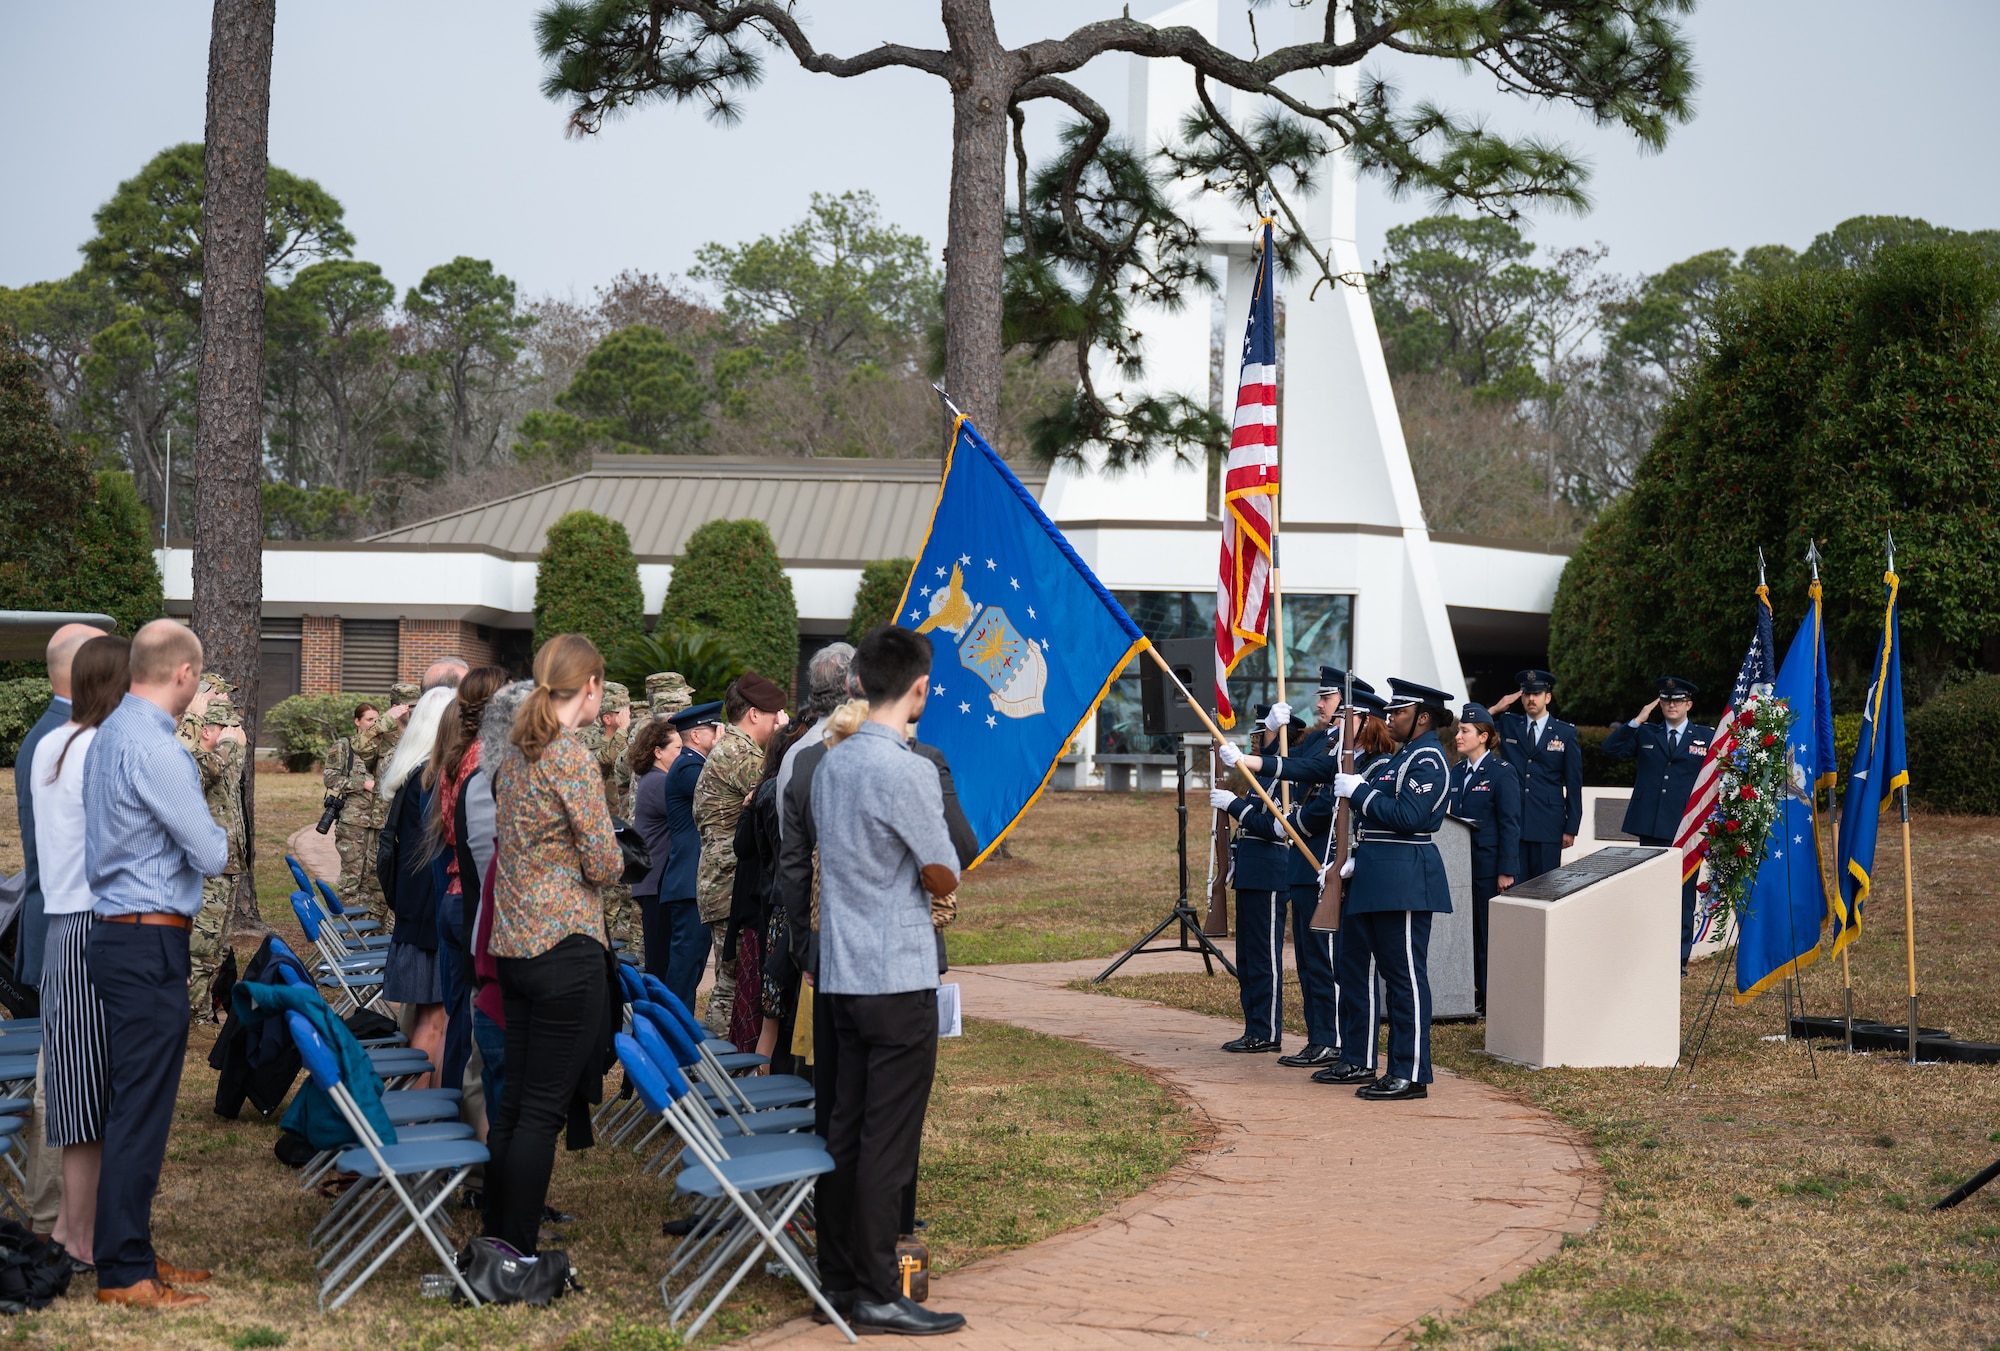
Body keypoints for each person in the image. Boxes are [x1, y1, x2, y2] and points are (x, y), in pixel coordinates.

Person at [811, 626, 966, 1337]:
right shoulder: (903, 767)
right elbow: (942, 867)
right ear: (919, 687)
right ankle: (877, 1288)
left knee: (844, 1126)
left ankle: (838, 1276)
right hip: (896, 973)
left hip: (842, 970)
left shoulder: (830, 762)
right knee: (888, 1139)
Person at [82, 618, 226, 1307]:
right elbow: (211, 851)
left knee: (130, 1105)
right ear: (184, 674)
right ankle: (124, 1272)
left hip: (120, 932)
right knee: (140, 1108)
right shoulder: (158, 749)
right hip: (147, 938)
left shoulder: (111, 732)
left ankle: (130, 1247)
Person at [484, 634, 622, 1258]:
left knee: (515, 1104)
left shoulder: (515, 755)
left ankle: (496, 1237)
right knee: (541, 1110)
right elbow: (602, 860)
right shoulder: (570, 757)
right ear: (589, 686)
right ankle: (516, 1251)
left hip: (513, 948)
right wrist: (615, 856)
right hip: (565, 945)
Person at [1209, 669, 1368, 1067]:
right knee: (1309, 962)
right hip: (1299, 866)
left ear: (1357, 712)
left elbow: (1301, 773)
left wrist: (1243, 803)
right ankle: (1319, 1037)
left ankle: (1327, 1038)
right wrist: (1265, 741)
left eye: (1329, 699)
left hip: (1315, 859)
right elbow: (1292, 762)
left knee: (1322, 960)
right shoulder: (1321, 739)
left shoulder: (1347, 750)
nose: (1320, 706)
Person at [32, 633, 130, 1272]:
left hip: (62, 924)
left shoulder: (51, 743)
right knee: (94, 1094)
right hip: (96, 923)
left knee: (75, 1090)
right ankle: (83, 1235)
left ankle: (72, 1228)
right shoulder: (99, 748)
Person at [15, 621, 102, 1242]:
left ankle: (60, 1215)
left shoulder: (55, 734)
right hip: (62, 928)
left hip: (57, 924)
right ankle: (50, 1218)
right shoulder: (62, 738)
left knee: (62, 1079)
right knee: (59, 1084)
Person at [692, 672, 789, 1036]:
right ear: (753, 714)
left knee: (730, 979)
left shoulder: (728, 748)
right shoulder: (739, 753)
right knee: (731, 982)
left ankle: (720, 1064)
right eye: (773, 715)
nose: (778, 722)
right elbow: (777, 789)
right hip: (728, 881)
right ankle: (719, 1066)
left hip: (721, 878)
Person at [432, 666, 509, 1096]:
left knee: (459, 1013)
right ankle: (460, 1121)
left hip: (455, 890)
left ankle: (450, 1109)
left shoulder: (458, 749)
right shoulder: (483, 756)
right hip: (473, 895)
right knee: (472, 1019)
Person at [1603, 676, 1713, 971]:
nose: (1671, 705)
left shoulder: (1705, 737)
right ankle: (1646, 954)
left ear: (1689, 704)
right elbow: (1610, 749)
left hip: (1685, 829)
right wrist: (1638, 720)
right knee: (1648, 894)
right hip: (1650, 827)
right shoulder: (1646, 733)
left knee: (1682, 898)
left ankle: (1678, 959)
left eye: (1677, 700)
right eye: (1666, 700)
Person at [376, 687, 457, 1088]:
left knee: (427, 1018)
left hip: (418, 912)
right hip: (432, 916)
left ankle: (415, 1108)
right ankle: (424, 1113)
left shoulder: (414, 773)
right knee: (437, 1022)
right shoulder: (433, 780)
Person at [1210, 703, 1301, 1056]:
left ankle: (1268, 1030)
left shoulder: (1285, 777)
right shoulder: (1261, 777)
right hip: (1250, 870)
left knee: (1266, 958)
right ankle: (1254, 1027)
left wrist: (1234, 806)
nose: (1253, 740)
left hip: (1271, 872)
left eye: (1260, 732)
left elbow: (1276, 828)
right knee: (1248, 958)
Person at [1449, 704, 1521, 1014]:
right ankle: (1470, 991)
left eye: (1464, 731)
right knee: (1465, 933)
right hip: (1460, 866)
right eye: (1458, 730)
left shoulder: (1501, 773)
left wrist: (1506, 870)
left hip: (1488, 867)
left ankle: (1491, 997)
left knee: (1486, 934)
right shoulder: (1456, 772)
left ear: (1484, 736)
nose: (1458, 736)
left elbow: (1510, 823)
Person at [1488, 669, 1582, 883]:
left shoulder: (1565, 733)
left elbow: (1574, 783)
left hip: (1548, 823)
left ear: (1547, 697)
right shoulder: (1510, 724)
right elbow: (1477, 729)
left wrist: (1571, 826)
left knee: (1544, 889)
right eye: (1527, 694)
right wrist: (1495, 708)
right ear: (1521, 697)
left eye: (1537, 693)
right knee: (1514, 890)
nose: (1531, 698)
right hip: (1513, 823)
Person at [189, 696, 248, 1020]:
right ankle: (190, 1013)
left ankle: (202, 1010)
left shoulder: (221, 760)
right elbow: (204, 772)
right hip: (208, 867)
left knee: (219, 947)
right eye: (226, 727)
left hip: (228, 863)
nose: (234, 734)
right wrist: (229, 745)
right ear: (208, 730)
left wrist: (231, 747)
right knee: (201, 946)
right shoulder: (197, 761)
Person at [658, 702, 721, 1010]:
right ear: (696, 735)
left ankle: (676, 1028)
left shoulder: (689, 763)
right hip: (688, 879)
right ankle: (672, 1032)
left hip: (690, 878)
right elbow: (719, 793)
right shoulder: (688, 767)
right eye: (713, 729)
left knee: (692, 962)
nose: (719, 734)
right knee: (685, 964)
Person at [349, 682, 422, 926]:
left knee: (408, 881)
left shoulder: (423, 734)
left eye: (416, 706)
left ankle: (396, 934)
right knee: (377, 882)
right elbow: (358, 746)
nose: (413, 711)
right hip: (382, 823)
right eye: (408, 707)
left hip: (412, 822)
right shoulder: (382, 737)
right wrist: (385, 722)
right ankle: (377, 937)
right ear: (396, 707)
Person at [578, 681, 636, 951]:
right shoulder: (587, 738)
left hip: (622, 825)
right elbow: (605, 759)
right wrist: (623, 731)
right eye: (624, 712)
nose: (630, 716)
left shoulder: (626, 736)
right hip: (597, 830)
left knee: (624, 896)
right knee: (606, 901)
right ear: (608, 717)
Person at [628, 715, 684, 982]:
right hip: (656, 885)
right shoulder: (659, 782)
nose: (682, 754)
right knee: (660, 964)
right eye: (678, 749)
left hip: (655, 883)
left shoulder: (653, 779)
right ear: (658, 752)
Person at [324, 701, 383, 923]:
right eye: (369, 719)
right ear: (357, 722)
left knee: (372, 880)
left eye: (377, 720)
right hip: (353, 824)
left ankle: (367, 931)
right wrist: (362, 784)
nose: (374, 724)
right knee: (351, 881)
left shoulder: (383, 748)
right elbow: (330, 778)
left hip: (378, 824)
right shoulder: (344, 746)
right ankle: (348, 932)